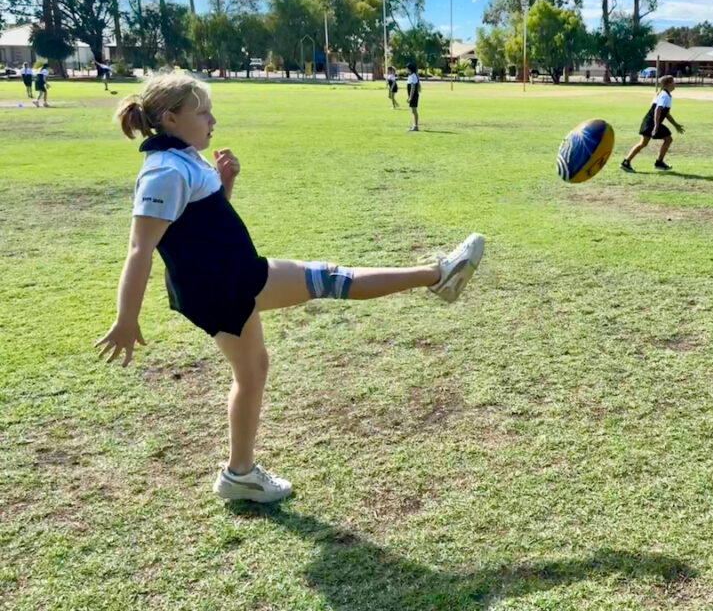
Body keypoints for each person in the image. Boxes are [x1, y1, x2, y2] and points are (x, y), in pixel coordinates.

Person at [96, 74, 485, 503]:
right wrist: (126, 318)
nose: (213, 120)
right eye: (203, 112)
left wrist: (224, 182)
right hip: (228, 282)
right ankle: (438, 274)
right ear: (171, 118)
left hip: (224, 280)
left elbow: (200, 225)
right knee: (331, 279)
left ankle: (239, 474)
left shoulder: (184, 159)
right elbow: (140, 250)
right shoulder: (164, 171)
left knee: (253, 370)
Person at [619, 75, 684, 173]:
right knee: (664, 140)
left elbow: (665, 113)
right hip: (651, 122)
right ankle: (657, 162)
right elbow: (658, 110)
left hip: (652, 122)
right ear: (668, 84)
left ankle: (627, 162)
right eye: (673, 82)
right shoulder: (664, 95)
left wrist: (675, 124)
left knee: (647, 143)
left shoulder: (665, 94)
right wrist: (656, 126)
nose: (675, 84)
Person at [405, 61, 421, 132]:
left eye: (407, 68)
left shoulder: (413, 76)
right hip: (413, 95)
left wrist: (410, 97)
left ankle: (415, 126)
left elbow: (413, 87)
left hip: (413, 96)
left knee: (414, 111)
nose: (406, 70)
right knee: (413, 111)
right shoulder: (412, 75)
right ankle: (414, 125)